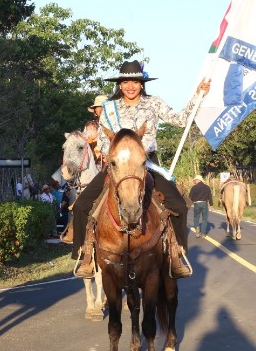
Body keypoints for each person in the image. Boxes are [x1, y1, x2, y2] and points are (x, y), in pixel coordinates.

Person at [71, 59, 211, 279]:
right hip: (117, 166)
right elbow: (104, 141)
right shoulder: (110, 107)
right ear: (119, 84)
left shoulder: (154, 103)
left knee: (179, 206)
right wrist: (113, 157)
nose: (130, 86)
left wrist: (198, 95)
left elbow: (182, 119)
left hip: (147, 164)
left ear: (142, 83)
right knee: (80, 206)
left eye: (135, 81)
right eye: (126, 82)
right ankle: (85, 255)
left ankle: (176, 254)